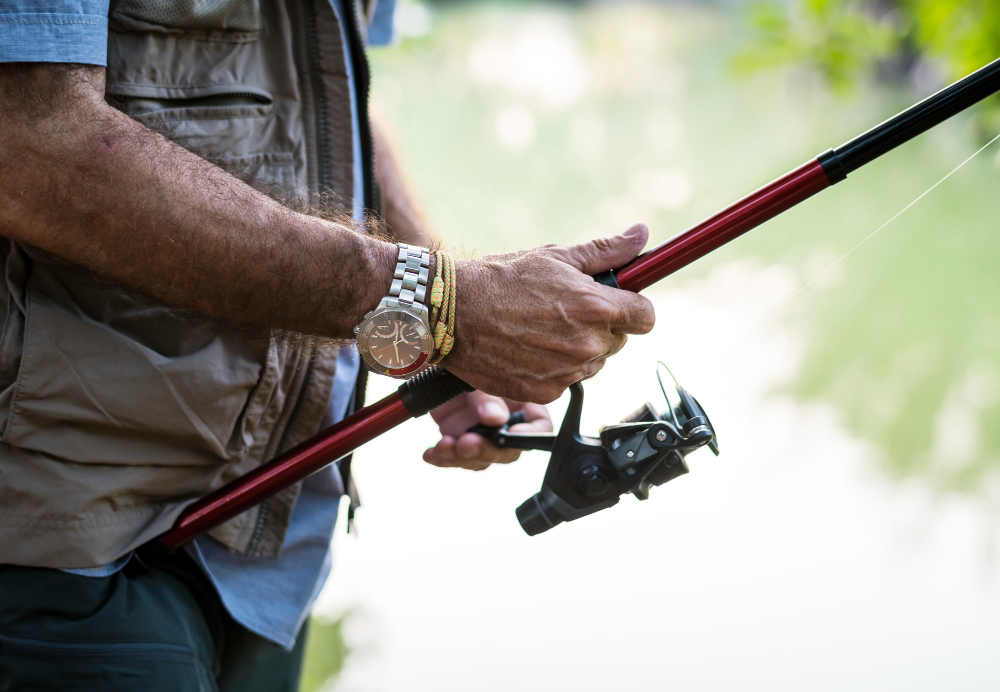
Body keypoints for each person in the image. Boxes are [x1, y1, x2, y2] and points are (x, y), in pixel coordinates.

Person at [0, 0, 655, 688]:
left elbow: (338, 95)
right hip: (73, 544)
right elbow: (29, 141)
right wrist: (437, 302)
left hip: (275, 537)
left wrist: (443, 335)